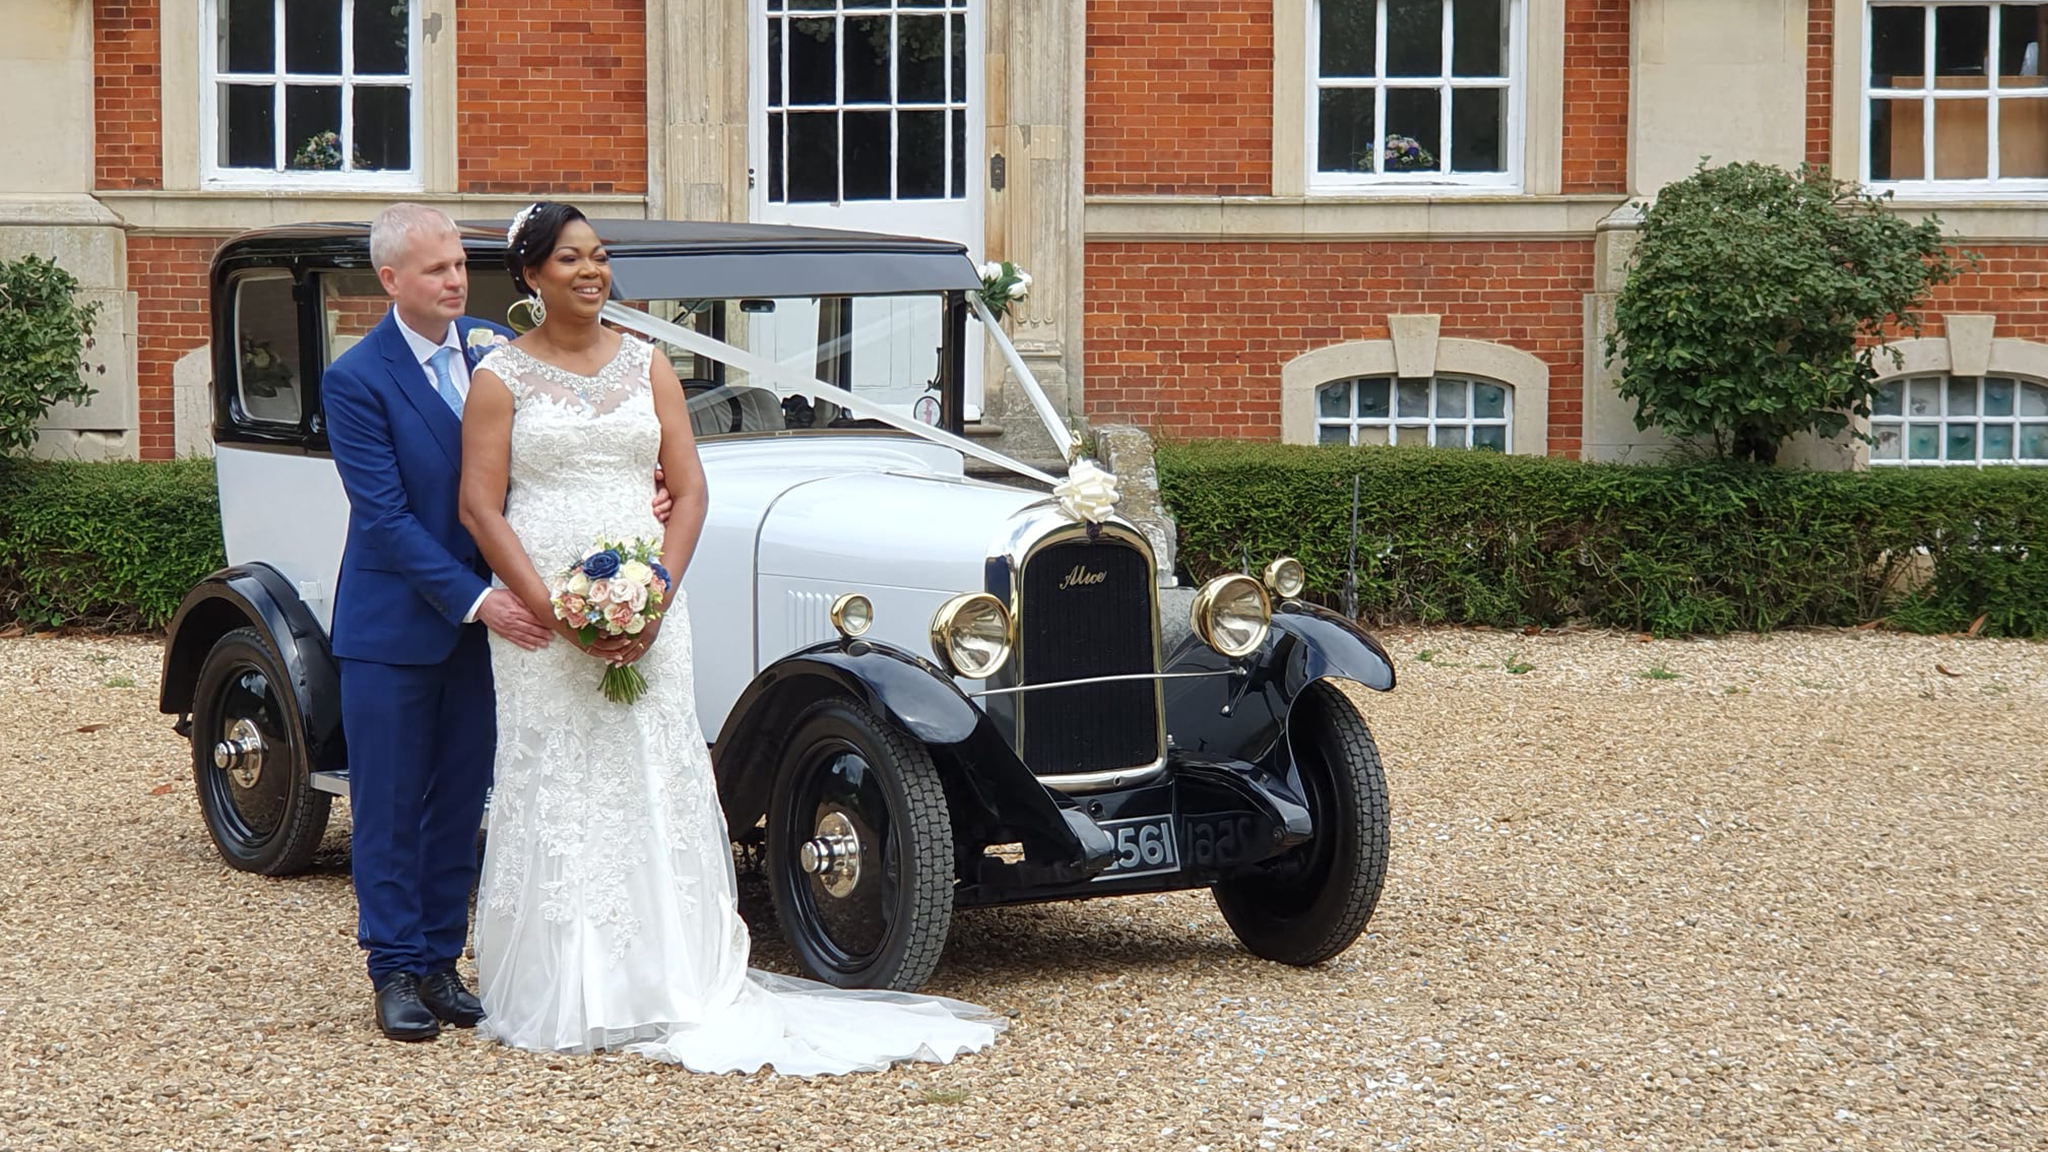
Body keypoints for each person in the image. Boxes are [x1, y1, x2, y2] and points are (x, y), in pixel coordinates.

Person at [457, 201, 1003, 1074]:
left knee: (655, 767)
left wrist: (658, 594)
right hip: (544, 608)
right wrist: (554, 609)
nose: (591, 272)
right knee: (554, 775)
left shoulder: (648, 365)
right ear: (530, 275)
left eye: (599, 257)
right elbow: (480, 506)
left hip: (649, 604)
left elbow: (691, 488)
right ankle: (564, 980)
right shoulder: (501, 379)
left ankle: (671, 973)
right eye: (569, 259)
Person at [322, 203, 670, 1042]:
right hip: (399, 625)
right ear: (390, 280)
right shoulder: (357, 378)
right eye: (435, 269)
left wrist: (645, 491)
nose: (452, 281)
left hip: (499, 628)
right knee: (391, 804)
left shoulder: (494, 351)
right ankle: (394, 968)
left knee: (463, 798)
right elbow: (387, 517)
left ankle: (442, 962)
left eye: (456, 266)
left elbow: (554, 453)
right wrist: (481, 599)